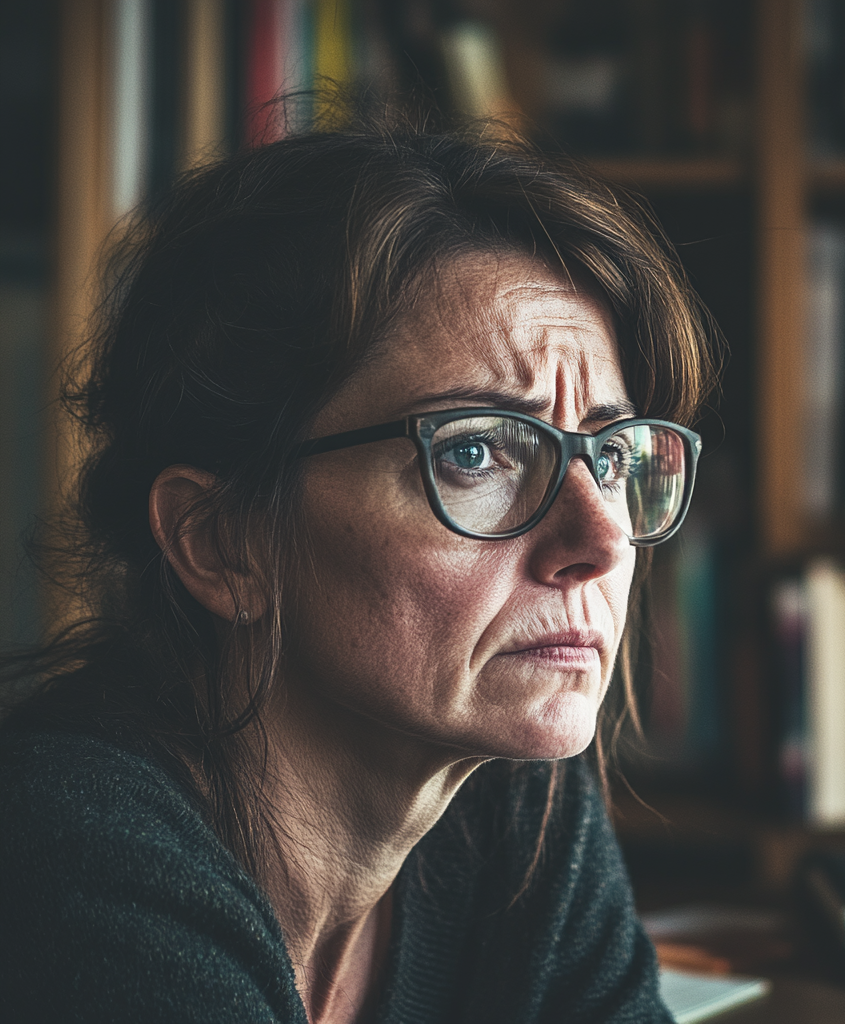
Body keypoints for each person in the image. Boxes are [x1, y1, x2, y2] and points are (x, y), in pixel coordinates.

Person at [0, 115, 715, 1023]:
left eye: (610, 456)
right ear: (220, 541)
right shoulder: (69, 853)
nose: (603, 540)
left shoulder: (516, 809)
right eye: (476, 454)